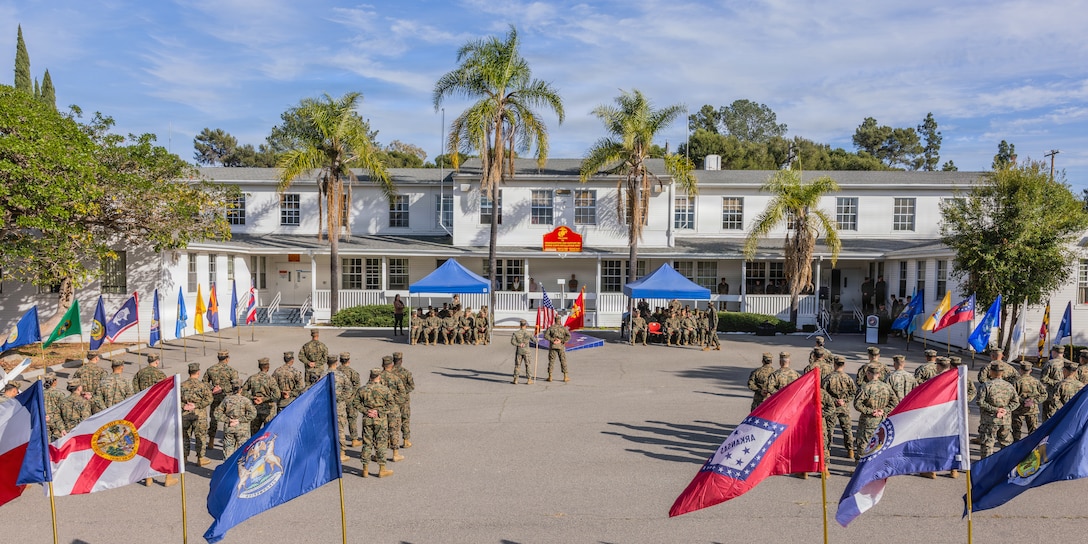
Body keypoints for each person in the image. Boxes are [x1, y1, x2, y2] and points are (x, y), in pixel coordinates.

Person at [354, 368, 394, 478]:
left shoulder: (362, 389)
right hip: (380, 420)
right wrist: (379, 411)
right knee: (381, 444)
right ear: (379, 377)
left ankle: (365, 470)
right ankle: (382, 469)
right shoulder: (385, 390)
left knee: (367, 444)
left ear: (370, 376)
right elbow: (391, 405)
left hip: (367, 419)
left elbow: (356, 403)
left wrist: (366, 411)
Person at [976, 363, 1020, 458]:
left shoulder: (986, 386)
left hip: (989, 421)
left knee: (987, 446)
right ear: (1002, 373)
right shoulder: (1009, 386)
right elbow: (1016, 402)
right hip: (1005, 421)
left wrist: (996, 410)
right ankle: (1004, 469)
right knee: (1006, 446)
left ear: (991, 372)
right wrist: (1005, 410)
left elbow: (980, 402)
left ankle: (985, 470)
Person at [854, 366, 898, 459]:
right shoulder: (886, 387)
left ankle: (861, 468)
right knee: (880, 444)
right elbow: (895, 402)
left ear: (868, 374)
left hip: (867, 420)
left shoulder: (865, 387)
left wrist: (870, 411)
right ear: (878, 375)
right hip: (882, 420)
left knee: (864, 443)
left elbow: (857, 404)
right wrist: (883, 411)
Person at [204, 350, 239, 450]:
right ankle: (228, 442)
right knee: (228, 420)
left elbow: (204, 382)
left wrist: (213, 388)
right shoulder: (232, 371)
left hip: (215, 398)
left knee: (214, 419)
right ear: (227, 359)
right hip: (227, 399)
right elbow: (236, 385)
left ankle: (211, 441)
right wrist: (224, 389)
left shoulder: (211, 369)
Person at [180, 363, 213, 467]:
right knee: (200, 436)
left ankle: (184, 458)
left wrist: (184, 406)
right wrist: (197, 405)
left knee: (185, 436)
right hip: (199, 415)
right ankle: (200, 458)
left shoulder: (181, 385)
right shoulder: (203, 386)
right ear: (198, 372)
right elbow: (209, 399)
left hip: (185, 414)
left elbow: (175, 399)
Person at [824, 356, 857, 460]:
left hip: (832, 408)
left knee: (829, 430)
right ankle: (850, 450)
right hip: (844, 407)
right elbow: (853, 392)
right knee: (847, 429)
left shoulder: (828, 378)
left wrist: (834, 401)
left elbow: (823, 393)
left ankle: (827, 450)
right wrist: (845, 400)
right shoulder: (848, 378)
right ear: (844, 365)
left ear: (834, 364)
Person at [214, 380, 256, 459]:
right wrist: (240, 420)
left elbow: (217, 413)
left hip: (229, 427)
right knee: (243, 451)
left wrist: (228, 420)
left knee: (228, 450)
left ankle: (227, 468)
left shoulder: (226, 400)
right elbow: (253, 413)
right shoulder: (245, 400)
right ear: (241, 389)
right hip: (242, 429)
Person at [242, 357, 281, 435]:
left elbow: (243, 391)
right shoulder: (270, 379)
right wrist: (264, 399)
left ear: (259, 367)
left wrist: (253, 398)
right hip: (268, 410)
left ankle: (254, 447)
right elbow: (277, 395)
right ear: (268, 367)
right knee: (268, 433)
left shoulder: (252, 378)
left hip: (255, 408)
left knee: (254, 434)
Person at [380, 356, 406, 463]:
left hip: (381, 408)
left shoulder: (377, 377)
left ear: (382, 365)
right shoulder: (395, 378)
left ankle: (380, 454)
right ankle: (395, 454)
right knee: (394, 430)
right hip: (393, 408)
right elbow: (402, 394)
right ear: (391, 365)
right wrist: (394, 403)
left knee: (381, 431)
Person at [325, 356, 352, 461]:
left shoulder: (323, 375)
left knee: (327, 429)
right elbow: (349, 390)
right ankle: (341, 453)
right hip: (339, 406)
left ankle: (329, 452)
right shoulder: (342, 375)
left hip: (326, 406)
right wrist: (340, 398)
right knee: (340, 429)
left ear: (327, 363)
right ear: (336, 363)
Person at [1012, 361, 1047, 442]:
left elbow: (1012, 395)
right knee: (1033, 431)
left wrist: (1023, 400)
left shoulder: (1016, 381)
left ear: (1020, 370)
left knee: (1016, 431)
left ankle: (1016, 448)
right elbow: (1044, 394)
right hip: (1032, 410)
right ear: (1030, 370)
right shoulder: (1036, 381)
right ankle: (1031, 448)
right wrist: (1033, 401)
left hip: (1018, 410)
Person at [339, 352, 362, 446]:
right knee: (352, 418)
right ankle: (354, 439)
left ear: (340, 361)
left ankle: (340, 438)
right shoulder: (352, 372)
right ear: (349, 361)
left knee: (339, 420)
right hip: (350, 399)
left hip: (339, 400)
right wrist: (352, 396)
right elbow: (357, 385)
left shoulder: (336, 371)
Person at [392, 352, 414, 449]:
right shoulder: (406, 372)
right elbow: (411, 386)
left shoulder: (389, 373)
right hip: (404, 400)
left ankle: (390, 440)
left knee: (392, 420)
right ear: (401, 361)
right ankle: (406, 440)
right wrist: (403, 393)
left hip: (392, 400)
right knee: (405, 419)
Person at [43, 374, 67, 441]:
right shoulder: (59, 394)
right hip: (56, 421)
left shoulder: (41, 394)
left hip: (44, 420)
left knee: (46, 442)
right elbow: (64, 409)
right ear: (54, 382)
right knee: (58, 443)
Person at [510, 320, 534, 384]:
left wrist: (519, 344)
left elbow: (512, 342)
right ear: (525, 325)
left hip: (519, 351)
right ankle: (529, 379)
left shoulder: (516, 333)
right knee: (528, 365)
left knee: (517, 365)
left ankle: (516, 379)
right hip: (527, 352)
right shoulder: (529, 333)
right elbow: (535, 341)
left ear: (520, 325)